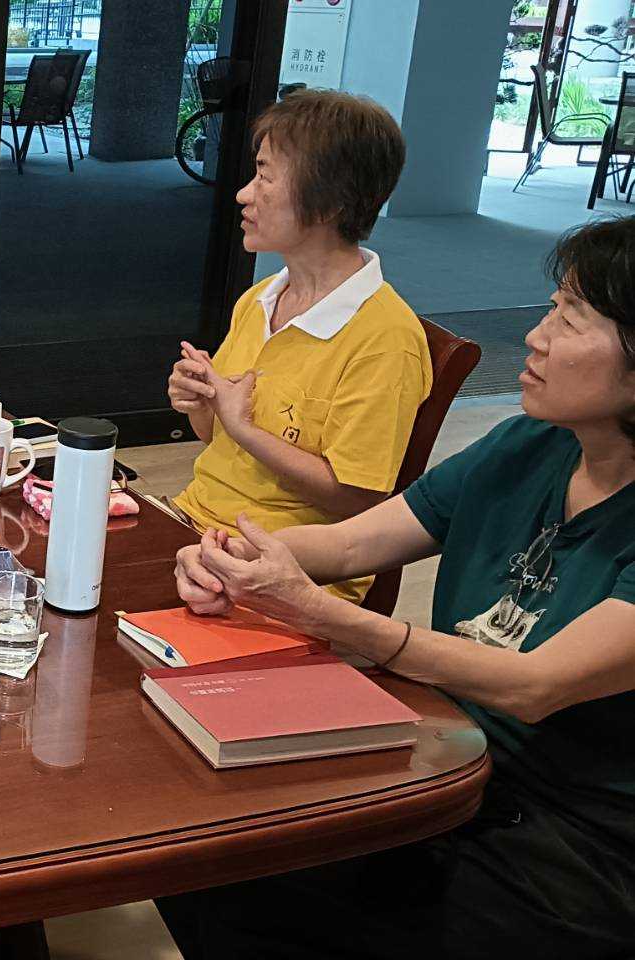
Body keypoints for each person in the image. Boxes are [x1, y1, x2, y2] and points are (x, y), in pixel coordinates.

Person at [161, 217, 635, 958]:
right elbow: (356, 541)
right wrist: (240, 558)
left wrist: (322, 614)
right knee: (201, 845)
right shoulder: (531, 443)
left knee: (258, 885)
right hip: (447, 756)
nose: (536, 337)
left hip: (576, 839)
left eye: (570, 320)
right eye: (551, 309)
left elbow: (536, 685)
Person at [166, 90, 431, 602]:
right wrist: (201, 402)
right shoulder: (261, 298)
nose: (244, 194)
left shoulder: (385, 339)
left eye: (265, 177)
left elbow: (355, 500)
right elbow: (215, 439)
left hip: (287, 573)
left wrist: (243, 427)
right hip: (195, 526)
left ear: (330, 202)